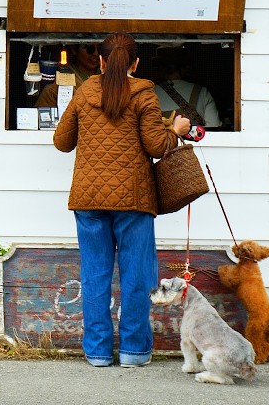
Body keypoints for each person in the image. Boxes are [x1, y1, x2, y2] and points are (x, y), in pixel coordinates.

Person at [53, 32, 190, 368]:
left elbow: (62, 142)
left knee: (95, 275)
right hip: (133, 198)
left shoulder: (85, 92)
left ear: (101, 61)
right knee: (137, 276)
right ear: (136, 63)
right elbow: (156, 146)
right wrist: (176, 131)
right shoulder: (144, 93)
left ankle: (98, 352)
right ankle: (134, 351)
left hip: (88, 197)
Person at [152, 47, 221, 129]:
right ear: (185, 68)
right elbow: (214, 127)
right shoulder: (202, 92)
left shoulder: (150, 93)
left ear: (160, 69)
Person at [35, 43, 102, 108]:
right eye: (90, 49)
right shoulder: (56, 86)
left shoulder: (106, 78)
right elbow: (43, 112)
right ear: (74, 50)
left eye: (100, 49)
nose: (96, 54)